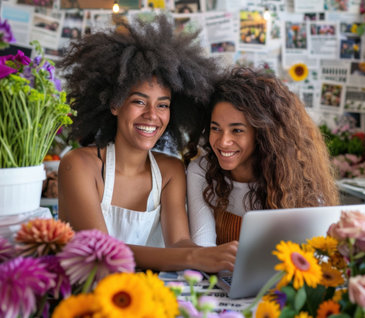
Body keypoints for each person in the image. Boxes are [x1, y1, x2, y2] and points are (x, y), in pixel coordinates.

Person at [57, 15, 237, 272]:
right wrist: (195, 258)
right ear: (115, 104)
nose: (152, 115)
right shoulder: (79, 166)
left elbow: (179, 243)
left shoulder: (170, 170)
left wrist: (218, 255)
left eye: (162, 105)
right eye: (139, 101)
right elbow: (101, 252)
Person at [187, 66, 340, 247]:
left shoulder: (296, 178)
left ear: (262, 133)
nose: (223, 141)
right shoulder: (201, 170)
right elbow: (203, 247)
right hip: (215, 275)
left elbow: (315, 249)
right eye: (215, 128)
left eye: (237, 130)